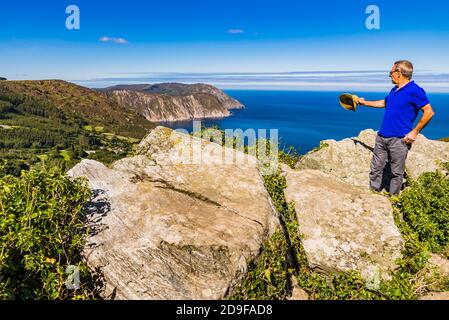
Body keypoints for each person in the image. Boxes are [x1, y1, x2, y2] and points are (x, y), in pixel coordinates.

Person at [358, 60, 435, 195]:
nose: (389, 75)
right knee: (376, 168)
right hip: (382, 136)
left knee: (396, 173)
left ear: (399, 73)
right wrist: (363, 103)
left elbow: (429, 112)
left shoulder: (415, 90)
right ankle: (373, 195)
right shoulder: (394, 89)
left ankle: (394, 200)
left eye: (391, 72)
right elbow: (383, 103)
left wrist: (415, 132)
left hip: (399, 139)